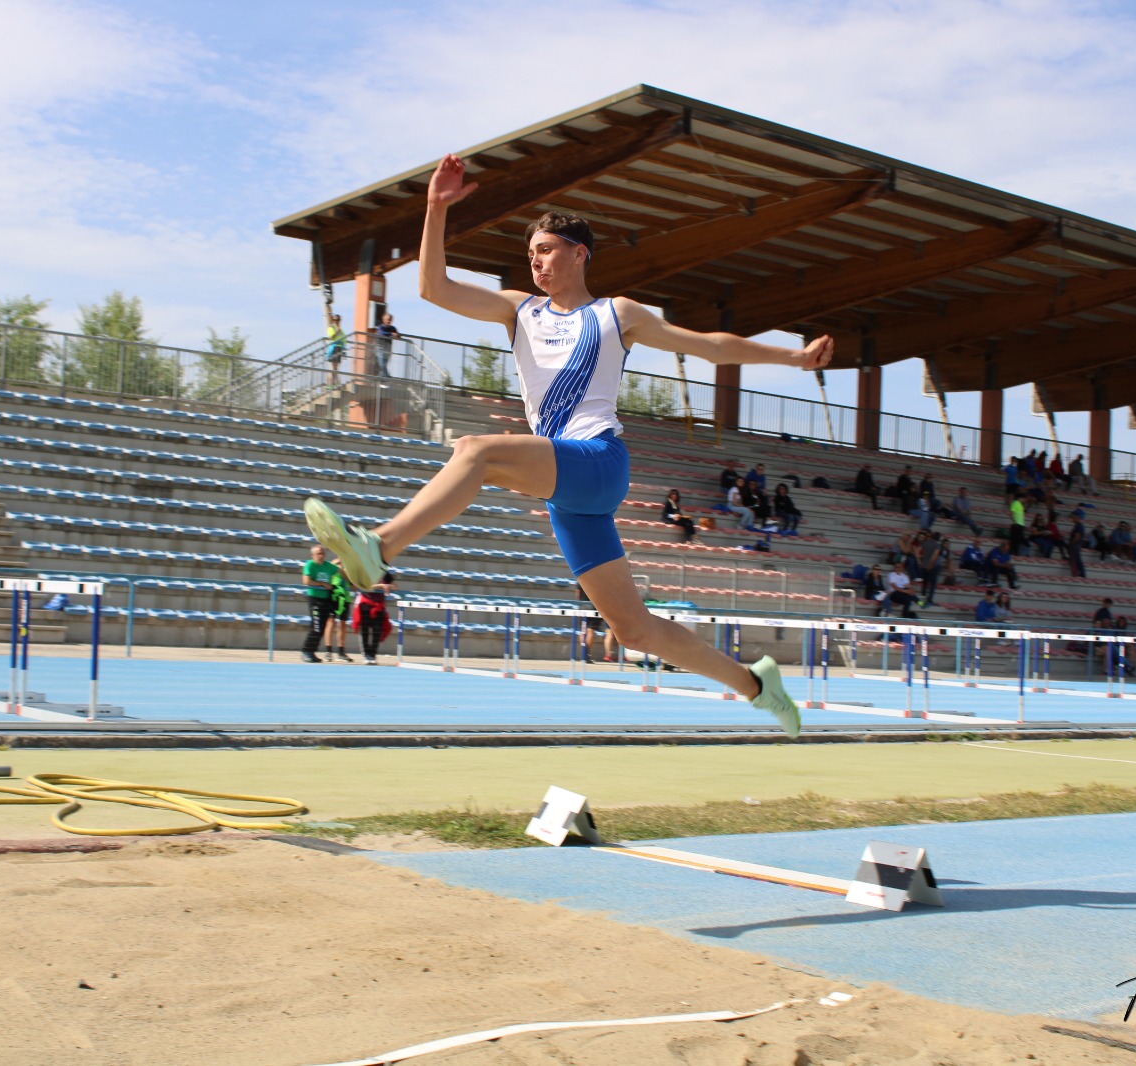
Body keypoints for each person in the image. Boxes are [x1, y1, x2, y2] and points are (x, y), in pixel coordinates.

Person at [302, 154, 827, 735]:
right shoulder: (518, 310)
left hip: (598, 461)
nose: (536, 261)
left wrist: (795, 357)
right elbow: (433, 287)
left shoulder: (616, 313)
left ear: (580, 254)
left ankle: (379, 546)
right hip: (566, 491)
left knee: (476, 451)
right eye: (531, 253)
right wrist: (435, 208)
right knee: (633, 629)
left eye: (547, 250)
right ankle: (757, 685)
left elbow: (710, 346)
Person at [300, 544, 338, 663]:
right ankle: (306, 650)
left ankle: (312, 651)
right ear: (313, 555)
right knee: (316, 627)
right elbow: (306, 581)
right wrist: (322, 584)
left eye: (322, 553)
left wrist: (352, 583)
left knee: (321, 628)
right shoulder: (310, 565)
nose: (320, 556)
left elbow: (341, 571)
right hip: (315, 599)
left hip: (326, 600)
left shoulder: (328, 566)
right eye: (318, 554)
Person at [352, 570, 397, 664]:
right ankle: (366, 654)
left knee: (377, 631)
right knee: (364, 630)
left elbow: (396, 586)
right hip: (365, 604)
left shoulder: (385, 573)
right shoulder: (367, 571)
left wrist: (390, 586)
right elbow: (365, 585)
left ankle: (373, 654)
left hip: (378, 606)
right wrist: (381, 586)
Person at [325, 564, 356, 663]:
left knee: (342, 623)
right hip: (334, 595)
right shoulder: (335, 564)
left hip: (345, 597)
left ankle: (341, 652)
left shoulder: (350, 563)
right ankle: (328, 651)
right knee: (331, 621)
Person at [918, 532, 947, 605]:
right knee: (932, 584)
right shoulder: (937, 545)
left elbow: (917, 551)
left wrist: (919, 561)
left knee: (924, 583)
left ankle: (922, 600)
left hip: (924, 565)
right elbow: (934, 556)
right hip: (931, 566)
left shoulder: (925, 543)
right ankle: (930, 600)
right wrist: (930, 565)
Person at [373, 311, 401, 376]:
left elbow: (397, 335)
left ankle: (381, 380)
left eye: (390, 319)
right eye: (387, 319)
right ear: (383, 319)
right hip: (379, 348)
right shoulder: (381, 327)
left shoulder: (393, 328)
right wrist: (391, 333)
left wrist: (397, 335)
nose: (389, 321)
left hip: (388, 349)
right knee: (382, 366)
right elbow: (381, 333)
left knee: (384, 366)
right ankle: (387, 378)